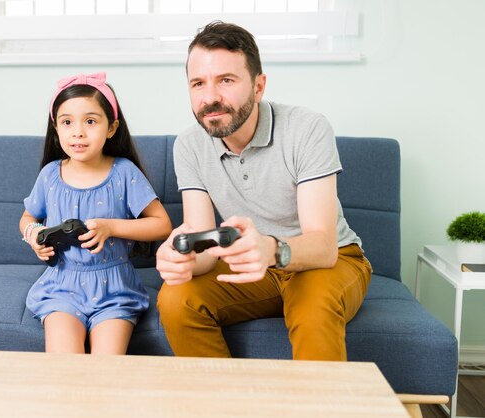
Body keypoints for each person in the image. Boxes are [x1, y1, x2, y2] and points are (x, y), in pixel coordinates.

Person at [155, 21, 372, 361]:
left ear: (258, 86)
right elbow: (205, 243)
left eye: (226, 80)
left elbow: (324, 246)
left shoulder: (307, 128)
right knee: (175, 298)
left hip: (326, 262)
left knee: (312, 311)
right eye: (198, 83)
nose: (210, 97)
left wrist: (268, 249)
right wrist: (179, 260)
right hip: (251, 267)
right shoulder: (190, 145)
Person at [21, 72, 172, 354]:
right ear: (56, 128)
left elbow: (162, 224)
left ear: (111, 127)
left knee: (106, 366)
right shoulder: (50, 175)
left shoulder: (124, 172)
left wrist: (111, 228)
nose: (78, 132)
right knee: (64, 361)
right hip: (61, 288)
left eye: (90, 121)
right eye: (67, 122)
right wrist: (35, 235)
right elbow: (28, 218)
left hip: (115, 290)